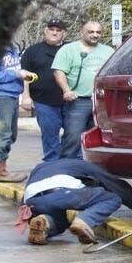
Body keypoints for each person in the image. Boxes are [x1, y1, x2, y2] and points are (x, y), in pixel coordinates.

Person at [21, 158, 132, 245]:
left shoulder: (41, 167)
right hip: (62, 192)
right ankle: (84, 221)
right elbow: (113, 183)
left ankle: (45, 222)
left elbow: (25, 196)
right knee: (112, 198)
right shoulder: (83, 164)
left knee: (62, 220)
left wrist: (30, 213)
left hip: (33, 200)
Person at [51, 21, 115, 160]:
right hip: (78, 100)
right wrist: (66, 90)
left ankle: (92, 168)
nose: (95, 35)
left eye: (98, 32)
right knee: (73, 137)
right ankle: (65, 167)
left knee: (100, 138)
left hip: (102, 102)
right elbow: (58, 71)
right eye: (91, 32)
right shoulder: (68, 49)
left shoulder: (108, 51)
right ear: (81, 32)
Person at [21, 18, 68, 161]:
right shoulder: (32, 51)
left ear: (64, 33)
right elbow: (25, 75)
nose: (54, 33)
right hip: (43, 101)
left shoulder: (70, 49)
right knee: (49, 134)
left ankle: (70, 164)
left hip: (70, 100)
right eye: (51, 30)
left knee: (73, 134)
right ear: (45, 31)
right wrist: (26, 96)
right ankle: (52, 164)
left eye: (58, 30)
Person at [0, 45, 37, 182]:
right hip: (0, 96)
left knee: (10, 135)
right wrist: (17, 74)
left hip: (12, 95)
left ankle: (1, 167)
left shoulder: (12, 49)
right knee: (2, 134)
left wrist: (23, 74)